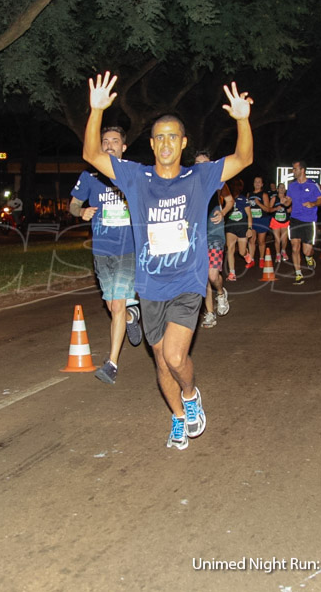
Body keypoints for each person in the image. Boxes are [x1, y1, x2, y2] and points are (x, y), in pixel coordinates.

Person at [82, 71, 253, 450]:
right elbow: (92, 154)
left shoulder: (200, 177)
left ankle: (191, 397)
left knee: (176, 357)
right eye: (159, 137)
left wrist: (242, 119)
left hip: (187, 283)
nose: (164, 143)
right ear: (152, 142)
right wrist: (95, 111)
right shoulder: (136, 177)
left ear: (183, 142)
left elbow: (244, 158)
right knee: (161, 362)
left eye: (172, 137)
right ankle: (177, 416)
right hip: (150, 286)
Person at [69, 126, 143, 385]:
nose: (109, 145)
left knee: (118, 305)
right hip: (101, 249)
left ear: (124, 147)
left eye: (115, 141)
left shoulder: (133, 173)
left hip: (127, 249)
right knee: (114, 306)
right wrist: (81, 212)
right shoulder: (89, 176)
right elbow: (74, 204)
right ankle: (133, 317)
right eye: (105, 141)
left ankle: (112, 363)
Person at [195, 150, 232, 329]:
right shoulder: (190, 182)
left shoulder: (218, 181)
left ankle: (220, 292)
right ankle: (210, 313)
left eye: (205, 163)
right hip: (197, 235)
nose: (202, 166)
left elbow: (230, 201)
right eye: (199, 163)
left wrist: (223, 212)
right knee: (203, 277)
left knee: (212, 274)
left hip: (215, 232)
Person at [283, 160, 321, 285]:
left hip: (308, 220)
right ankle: (298, 274)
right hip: (295, 219)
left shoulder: (312, 185)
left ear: (302, 170)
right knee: (295, 248)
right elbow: (288, 201)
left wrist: (313, 203)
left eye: (295, 169)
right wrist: (285, 201)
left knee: (307, 250)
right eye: (293, 169)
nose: (293, 171)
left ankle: (309, 257)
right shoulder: (292, 186)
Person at [223, 178, 252, 281]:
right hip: (230, 227)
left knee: (241, 252)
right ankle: (232, 273)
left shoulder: (243, 199)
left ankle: (246, 253)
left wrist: (249, 228)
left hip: (242, 227)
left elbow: (249, 215)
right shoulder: (226, 199)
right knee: (230, 249)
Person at [245, 176, 273, 265]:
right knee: (252, 240)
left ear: (262, 184)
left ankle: (261, 259)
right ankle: (251, 260)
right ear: (253, 184)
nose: (257, 183)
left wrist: (259, 203)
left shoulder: (264, 195)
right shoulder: (249, 194)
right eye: (255, 182)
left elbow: (268, 209)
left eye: (259, 182)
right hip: (252, 220)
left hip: (262, 220)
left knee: (261, 241)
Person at [269, 182, 291, 262]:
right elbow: (269, 209)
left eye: (283, 187)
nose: (282, 189)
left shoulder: (288, 198)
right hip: (276, 221)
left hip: (285, 221)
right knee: (277, 239)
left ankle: (283, 251)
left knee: (284, 239)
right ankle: (278, 254)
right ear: (277, 189)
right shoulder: (274, 198)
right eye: (280, 187)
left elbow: (290, 210)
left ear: (285, 189)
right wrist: (275, 209)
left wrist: (287, 207)